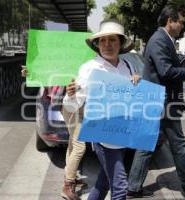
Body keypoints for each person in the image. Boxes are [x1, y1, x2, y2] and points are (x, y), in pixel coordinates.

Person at [126, 6, 185, 199]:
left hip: (158, 99)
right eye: (181, 22)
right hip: (163, 101)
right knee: (178, 145)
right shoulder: (160, 40)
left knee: (146, 144)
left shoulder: (162, 39)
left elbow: (165, 68)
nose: (183, 26)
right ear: (170, 21)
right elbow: (165, 71)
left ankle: (133, 187)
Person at [63, 19, 140, 200]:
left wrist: (137, 82)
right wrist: (71, 95)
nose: (107, 45)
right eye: (102, 40)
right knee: (120, 186)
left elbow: (132, 98)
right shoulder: (90, 68)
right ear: (97, 44)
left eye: (112, 40)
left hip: (122, 134)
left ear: (120, 43)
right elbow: (72, 105)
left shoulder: (128, 66)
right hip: (103, 135)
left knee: (104, 181)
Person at [21, 75, 86, 200]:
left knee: (73, 142)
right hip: (72, 106)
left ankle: (69, 175)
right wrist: (30, 71)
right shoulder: (67, 65)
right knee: (80, 146)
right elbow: (44, 71)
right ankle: (68, 186)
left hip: (80, 106)